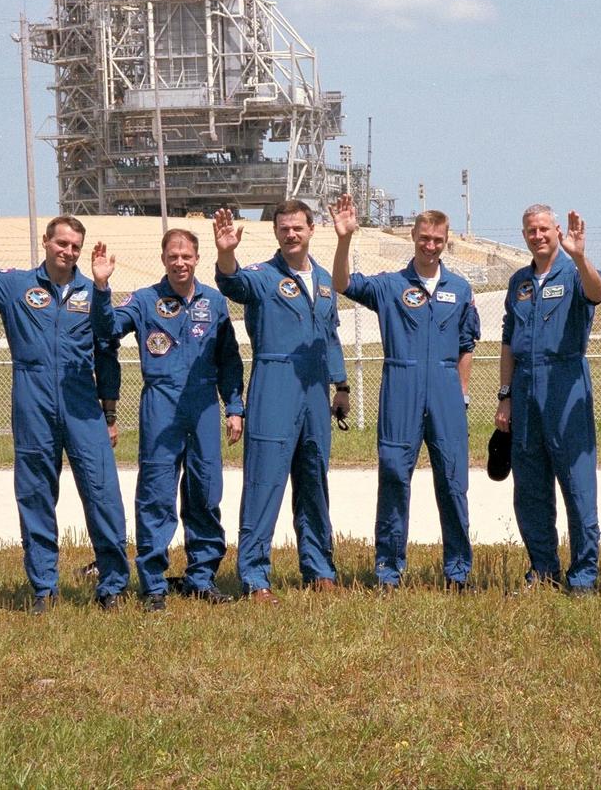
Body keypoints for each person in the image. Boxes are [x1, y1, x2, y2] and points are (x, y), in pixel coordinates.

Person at [0, 187, 129, 612]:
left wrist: (109, 412)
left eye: (75, 246)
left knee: (102, 492)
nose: (68, 251)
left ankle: (112, 585)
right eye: (61, 243)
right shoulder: (15, 286)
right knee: (36, 492)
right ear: (46, 243)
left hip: (81, 403)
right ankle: (43, 588)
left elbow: (108, 351)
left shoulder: (94, 293)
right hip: (32, 399)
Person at [89, 229, 244, 611]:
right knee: (156, 495)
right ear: (163, 259)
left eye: (186, 256)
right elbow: (107, 329)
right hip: (161, 403)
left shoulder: (215, 302)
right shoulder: (145, 301)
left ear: (197, 258)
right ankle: (154, 585)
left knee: (206, 493)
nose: (180, 262)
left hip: (204, 405)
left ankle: (201, 577)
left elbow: (230, 360)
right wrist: (101, 288)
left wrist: (235, 407)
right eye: (173, 256)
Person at [331, 197, 480, 590]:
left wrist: (461, 391)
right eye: (424, 238)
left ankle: (458, 571)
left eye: (438, 240)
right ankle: (388, 569)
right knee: (395, 475)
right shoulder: (390, 286)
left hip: (447, 390)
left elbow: (468, 344)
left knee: (452, 481)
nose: (430, 246)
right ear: (413, 237)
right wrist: (344, 240)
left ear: (446, 242)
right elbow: (343, 284)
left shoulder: (460, 289)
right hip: (401, 385)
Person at [213, 200, 349, 604]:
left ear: (311, 230)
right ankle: (255, 576)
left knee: (314, 481)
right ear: (275, 233)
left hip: (316, 389)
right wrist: (226, 252)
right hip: (274, 384)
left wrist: (340, 386)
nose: (291, 234)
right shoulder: (262, 276)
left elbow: (331, 336)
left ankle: (319, 569)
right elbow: (232, 283)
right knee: (264, 483)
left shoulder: (324, 281)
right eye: (284, 229)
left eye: (298, 228)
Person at [496, 204, 601, 593]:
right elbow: (509, 342)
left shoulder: (576, 271)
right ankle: (543, 570)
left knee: (578, 485)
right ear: (524, 234)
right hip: (525, 389)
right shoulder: (519, 283)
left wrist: (580, 256)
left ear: (557, 230)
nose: (538, 235)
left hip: (566, 383)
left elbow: (598, 293)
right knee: (529, 487)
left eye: (544, 228)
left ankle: (583, 576)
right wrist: (505, 396)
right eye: (531, 230)